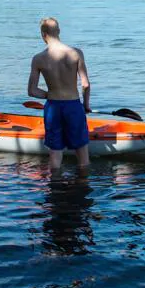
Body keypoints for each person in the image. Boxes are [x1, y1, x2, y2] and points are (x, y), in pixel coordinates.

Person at [27, 17, 93, 172]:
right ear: (59, 31)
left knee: (55, 155)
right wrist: (86, 105)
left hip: (53, 108)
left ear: (43, 34)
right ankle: (82, 186)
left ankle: (55, 189)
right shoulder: (76, 53)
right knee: (83, 156)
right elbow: (85, 84)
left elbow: (32, 91)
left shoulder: (38, 59)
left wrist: (49, 94)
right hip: (73, 106)